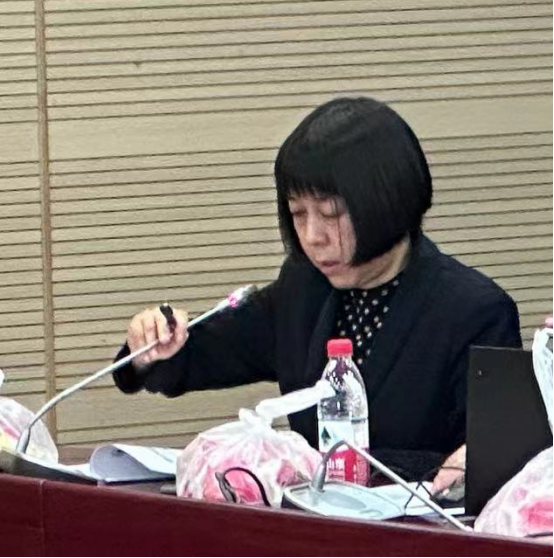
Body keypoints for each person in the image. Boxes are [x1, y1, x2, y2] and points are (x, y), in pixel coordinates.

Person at [113, 97, 522, 489]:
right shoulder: (303, 288)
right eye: (297, 213)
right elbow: (198, 356)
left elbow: (495, 461)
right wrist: (150, 345)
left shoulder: (475, 312)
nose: (312, 236)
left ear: (388, 201)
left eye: (331, 213)